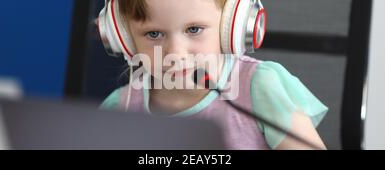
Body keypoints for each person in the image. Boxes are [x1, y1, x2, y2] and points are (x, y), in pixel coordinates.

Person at [100, 0, 328, 150]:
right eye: (154, 33)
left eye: (194, 29)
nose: (176, 53)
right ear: (125, 39)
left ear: (232, 28)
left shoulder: (260, 86)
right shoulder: (121, 107)